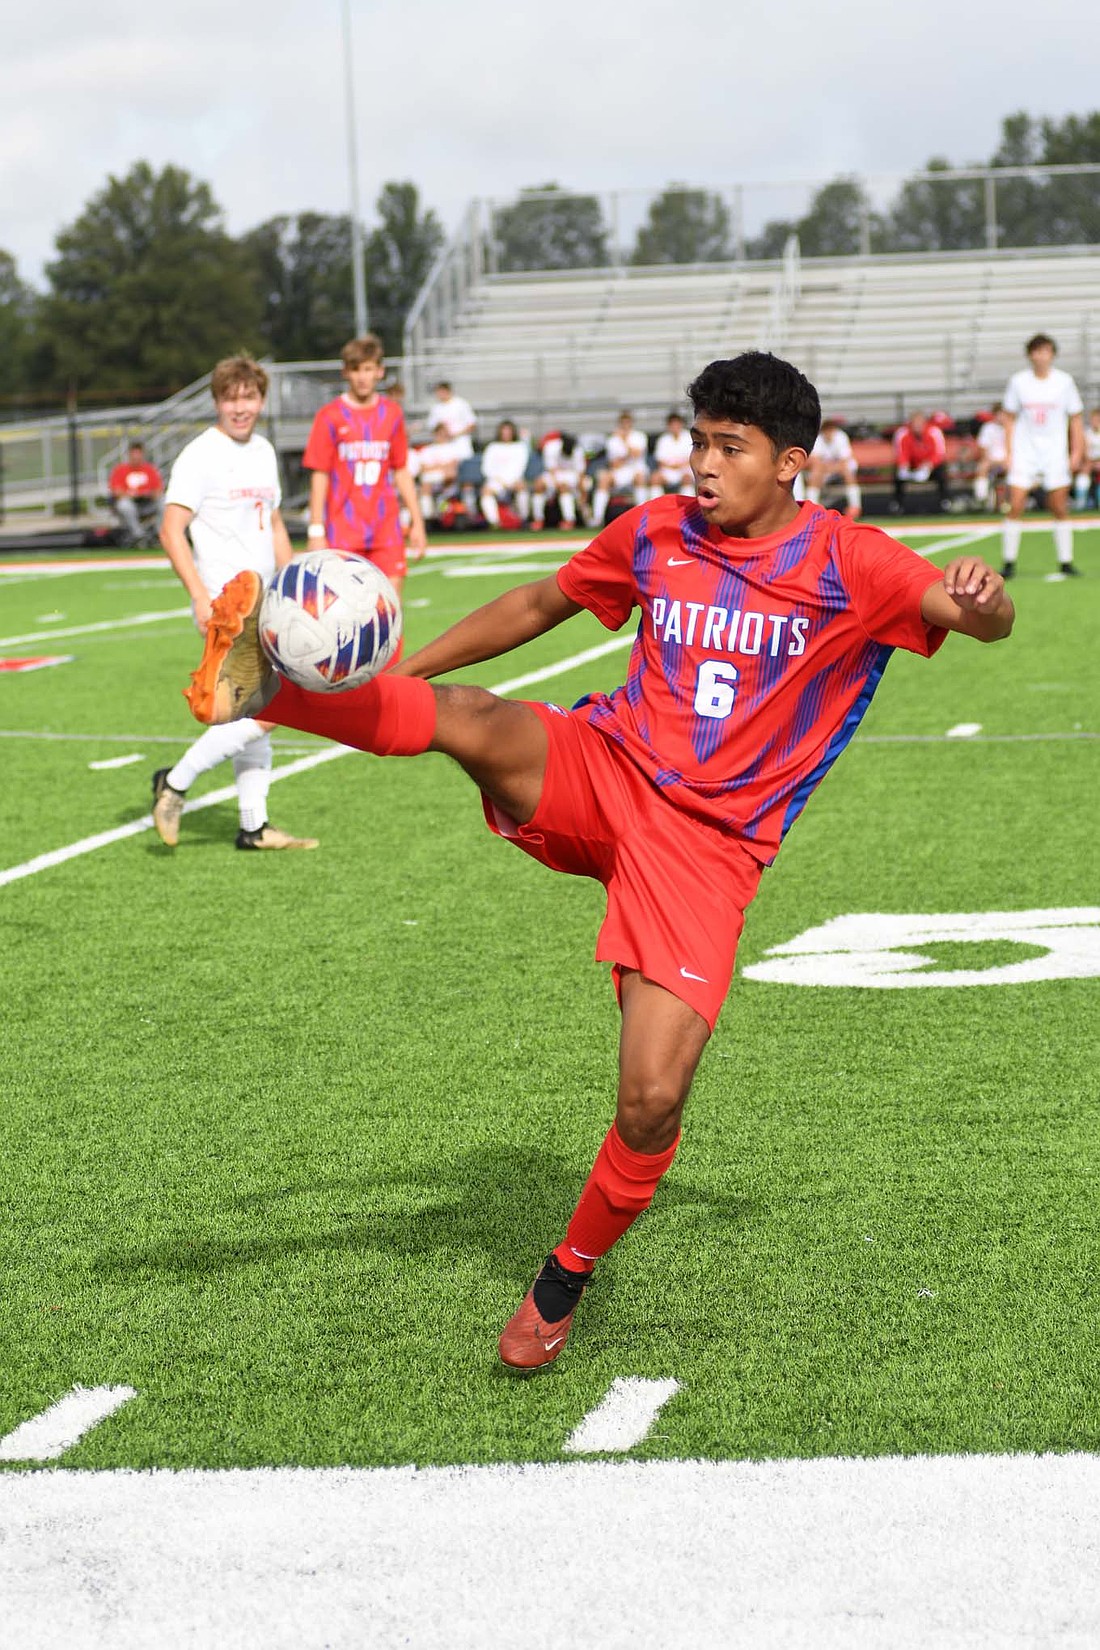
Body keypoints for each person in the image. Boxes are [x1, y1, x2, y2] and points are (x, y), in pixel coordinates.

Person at [182, 351, 1013, 1371]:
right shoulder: (658, 530)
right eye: (697, 441)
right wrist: (396, 673)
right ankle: (270, 690)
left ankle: (562, 1277)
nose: (703, 465)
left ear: (790, 462)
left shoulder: (853, 563)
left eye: (730, 449)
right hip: (607, 768)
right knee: (476, 722)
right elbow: (539, 604)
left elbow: (974, 617)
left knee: (652, 1099)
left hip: (707, 850)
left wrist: (980, 595)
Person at [153, 355, 318, 853]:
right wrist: (199, 597)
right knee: (267, 712)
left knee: (257, 714)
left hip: (265, 600)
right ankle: (175, 783)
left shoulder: (265, 451)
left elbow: (271, 524)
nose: (240, 407)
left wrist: (293, 587)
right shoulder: (200, 455)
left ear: (261, 400)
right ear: (218, 401)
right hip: (225, 607)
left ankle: (254, 826)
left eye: (249, 397)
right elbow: (170, 530)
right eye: (231, 398)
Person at [302, 335, 426, 602]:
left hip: (386, 529)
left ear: (379, 372)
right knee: (343, 615)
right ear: (346, 372)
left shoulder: (392, 414)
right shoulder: (329, 416)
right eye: (356, 369)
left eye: (368, 369)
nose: (362, 377)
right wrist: (316, 530)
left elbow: (401, 470)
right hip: (342, 531)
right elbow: (319, 474)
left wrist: (417, 521)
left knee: (389, 610)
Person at [1002, 334, 1085, 578]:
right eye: (1037, 351)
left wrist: (1077, 450)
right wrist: (1009, 452)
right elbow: (1008, 417)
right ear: (1030, 354)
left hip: (1055, 453)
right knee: (1015, 505)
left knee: (1059, 506)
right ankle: (1008, 563)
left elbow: (1076, 418)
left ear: (1053, 354)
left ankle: (1066, 562)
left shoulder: (1064, 382)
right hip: (1024, 452)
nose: (1041, 356)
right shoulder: (1019, 382)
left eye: (1046, 351)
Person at [415, 382, 478, 519]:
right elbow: (433, 427)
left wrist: (455, 434)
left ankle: (471, 514)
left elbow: (472, 424)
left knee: (466, 481)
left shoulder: (461, 404)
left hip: (461, 449)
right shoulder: (436, 408)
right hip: (445, 453)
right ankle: (433, 516)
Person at [592, 411, 649, 525]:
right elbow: (613, 463)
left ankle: (643, 515)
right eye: (623, 423)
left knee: (639, 478)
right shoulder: (612, 439)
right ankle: (597, 518)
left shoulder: (639, 436)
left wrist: (624, 441)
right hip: (619, 472)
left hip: (636, 470)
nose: (625, 425)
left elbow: (636, 454)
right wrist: (627, 456)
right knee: (603, 479)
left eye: (627, 422)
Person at [108, 441, 164, 545]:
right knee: (124, 505)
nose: (136, 458)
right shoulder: (120, 470)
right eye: (134, 455)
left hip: (147, 503)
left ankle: (159, 534)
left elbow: (158, 490)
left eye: (138, 455)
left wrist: (147, 494)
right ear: (129, 455)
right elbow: (116, 492)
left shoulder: (150, 470)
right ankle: (139, 536)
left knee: (164, 501)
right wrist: (132, 494)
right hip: (131, 504)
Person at [892, 411, 950, 512]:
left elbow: (939, 453)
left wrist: (928, 466)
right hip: (912, 465)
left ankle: (945, 501)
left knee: (942, 472)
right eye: (914, 423)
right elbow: (900, 452)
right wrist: (904, 466)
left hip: (930, 466)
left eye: (919, 423)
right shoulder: (903, 433)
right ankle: (897, 504)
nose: (917, 427)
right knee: (897, 475)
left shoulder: (934, 432)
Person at [530, 432, 590, 529]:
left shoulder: (578, 450)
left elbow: (580, 473)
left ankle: (569, 519)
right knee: (539, 484)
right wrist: (556, 484)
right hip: (554, 474)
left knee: (564, 488)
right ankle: (538, 519)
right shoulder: (551, 447)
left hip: (572, 475)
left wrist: (582, 493)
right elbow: (551, 470)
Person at [478, 419, 531, 527]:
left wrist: (510, 481)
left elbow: (521, 466)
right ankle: (494, 523)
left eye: (509, 431)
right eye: (504, 431)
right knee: (486, 491)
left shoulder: (520, 447)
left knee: (522, 487)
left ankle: (523, 520)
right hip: (496, 480)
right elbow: (486, 468)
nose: (506, 434)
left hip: (514, 479)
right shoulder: (492, 447)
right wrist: (500, 481)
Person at [805, 417, 861, 517]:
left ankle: (855, 506)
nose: (829, 433)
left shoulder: (841, 437)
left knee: (847, 472)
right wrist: (827, 468)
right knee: (815, 473)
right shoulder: (818, 439)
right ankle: (811, 508)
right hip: (825, 470)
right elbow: (815, 460)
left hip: (838, 469)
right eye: (827, 430)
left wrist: (831, 467)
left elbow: (845, 460)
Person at [649, 411, 694, 497]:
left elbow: (692, 458)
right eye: (672, 424)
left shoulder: (688, 437)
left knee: (687, 478)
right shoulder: (663, 439)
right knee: (655, 478)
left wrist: (679, 465)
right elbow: (660, 461)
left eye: (677, 423)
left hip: (685, 469)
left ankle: (686, 507)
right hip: (668, 470)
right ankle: (656, 508)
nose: (675, 426)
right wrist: (672, 467)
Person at [972, 406, 1008, 511]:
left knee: (1015, 468)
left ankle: (1009, 500)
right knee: (983, 466)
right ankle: (981, 498)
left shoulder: (1011, 427)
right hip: (991, 460)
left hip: (1007, 461)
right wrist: (990, 460)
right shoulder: (988, 428)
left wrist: (1007, 460)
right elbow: (983, 448)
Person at [1072, 407, 1100, 512]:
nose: (1095, 422)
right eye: (1093, 419)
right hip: (1090, 463)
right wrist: (1091, 464)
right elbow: (1085, 452)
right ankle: (1080, 504)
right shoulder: (1087, 434)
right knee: (1083, 475)